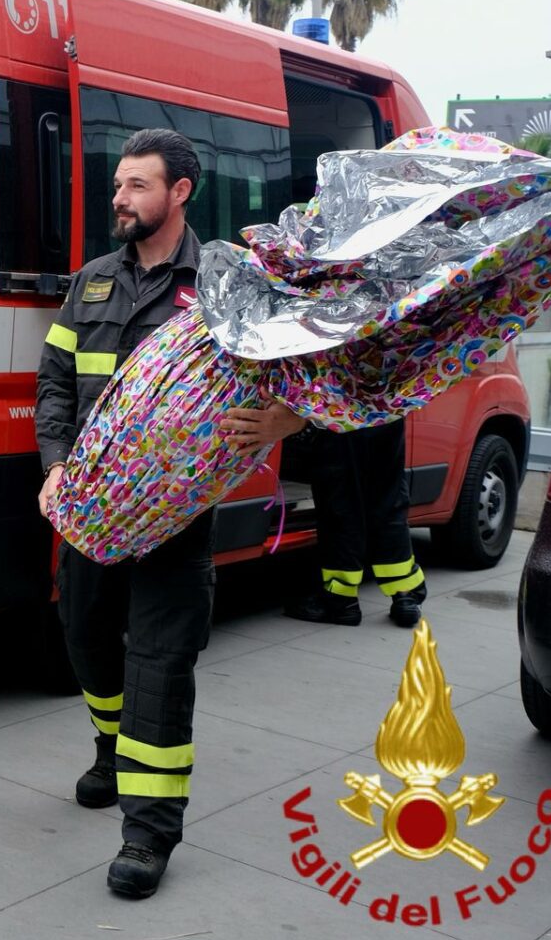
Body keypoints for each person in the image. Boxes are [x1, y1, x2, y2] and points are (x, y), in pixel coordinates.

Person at [36, 127, 305, 900]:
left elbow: (314, 372)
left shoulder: (227, 286)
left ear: (179, 192)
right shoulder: (89, 283)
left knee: (160, 667)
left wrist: (289, 422)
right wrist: (53, 471)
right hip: (87, 511)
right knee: (83, 637)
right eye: (117, 185)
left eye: (136, 185)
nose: (119, 198)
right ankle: (112, 744)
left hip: (175, 519)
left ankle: (148, 833)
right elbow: (54, 385)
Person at [285, 421, 426, 627]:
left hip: (342, 412)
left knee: (342, 504)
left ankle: (340, 600)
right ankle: (405, 595)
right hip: (386, 408)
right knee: (388, 498)